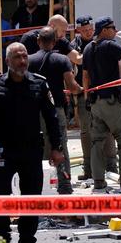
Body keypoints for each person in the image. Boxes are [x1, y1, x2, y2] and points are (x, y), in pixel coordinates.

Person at [0, 43, 65, 243]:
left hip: (32, 150)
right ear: (7, 61)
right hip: (3, 151)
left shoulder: (39, 84)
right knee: (0, 201)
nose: (22, 61)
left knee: (31, 200)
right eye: (17, 58)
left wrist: (57, 147)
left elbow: (52, 118)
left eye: (24, 57)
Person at [82, 16, 121, 192]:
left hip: (96, 102)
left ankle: (98, 180)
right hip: (113, 102)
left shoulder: (87, 49)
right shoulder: (109, 44)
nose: (115, 31)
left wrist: (87, 99)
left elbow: (85, 76)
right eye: (113, 28)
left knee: (97, 142)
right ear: (105, 30)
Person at [28, 27, 81, 195]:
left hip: (35, 112)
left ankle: (41, 184)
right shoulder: (61, 60)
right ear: (55, 41)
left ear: (38, 41)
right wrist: (82, 90)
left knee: (38, 145)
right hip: (56, 109)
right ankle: (64, 185)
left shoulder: (29, 60)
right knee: (60, 145)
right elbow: (72, 86)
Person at [70, 16, 117, 180]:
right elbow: (77, 62)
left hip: (103, 92)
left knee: (108, 129)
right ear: (78, 31)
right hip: (84, 93)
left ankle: (112, 166)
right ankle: (88, 169)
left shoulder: (102, 41)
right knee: (85, 132)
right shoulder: (74, 45)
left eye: (90, 29)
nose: (89, 33)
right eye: (84, 31)